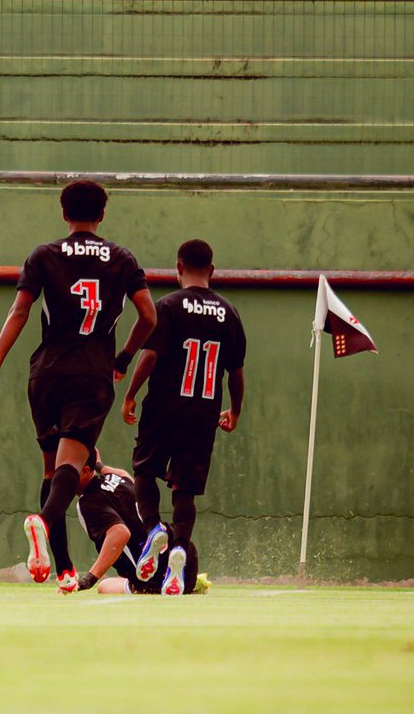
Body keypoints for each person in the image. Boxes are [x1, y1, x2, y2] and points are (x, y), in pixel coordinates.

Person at [0, 179, 156, 593]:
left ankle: (65, 569)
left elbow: (20, 310)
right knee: (71, 467)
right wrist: (123, 359)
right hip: (91, 374)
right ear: (102, 215)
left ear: (63, 213)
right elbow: (148, 316)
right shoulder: (122, 258)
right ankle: (42, 521)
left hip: (46, 372)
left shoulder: (44, 254)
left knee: (51, 470)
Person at [122, 238, 246, 596]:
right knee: (185, 489)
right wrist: (235, 410)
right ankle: (178, 548)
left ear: (178, 268)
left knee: (145, 470)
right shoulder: (229, 312)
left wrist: (130, 395)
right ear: (212, 270)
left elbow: (149, 356)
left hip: (163, 407)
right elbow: (236, 372)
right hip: (203, 412)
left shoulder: (168, 305)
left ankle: (154, 529)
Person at [73, 454, 210, 595]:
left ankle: (157, 582)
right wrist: (99, 465)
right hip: (185, 552)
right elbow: (121, 473)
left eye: (67, 470)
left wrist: (90, 578)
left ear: (86, 471)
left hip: (155, 576)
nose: (63, 476)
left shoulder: (87, 503)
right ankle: (188, 581)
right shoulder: (119, 478)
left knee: (104, 585)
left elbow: (120, 533)